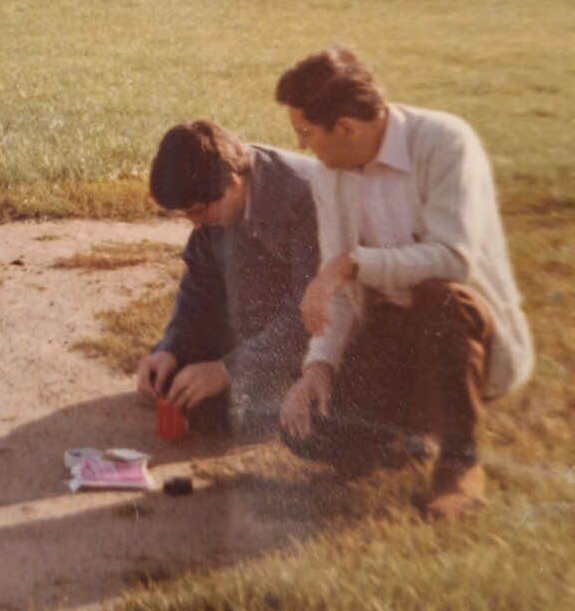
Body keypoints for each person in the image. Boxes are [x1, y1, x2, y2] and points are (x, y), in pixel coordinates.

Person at [274, 46, 534, 520]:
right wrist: (319, 366)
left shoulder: (444, 141)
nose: (303, 145)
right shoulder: (329, 175)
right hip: (394, 333)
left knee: (440, 299)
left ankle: (459, 460)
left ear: (347, 128)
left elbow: (453, 260)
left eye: (305, 133)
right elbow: (345, 293)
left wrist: (351, 264)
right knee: (304, 428)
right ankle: (410, 434)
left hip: (460, 325)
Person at [136, 120, 319, 439]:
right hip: (259, 321)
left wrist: (228, 370)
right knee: (172, 381)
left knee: (226, 415)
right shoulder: (216, 199)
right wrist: (171, 346)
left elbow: (310, 315)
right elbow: (199, 285)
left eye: (197, 211)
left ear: (233, 182)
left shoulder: (304, 197)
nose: (195, 225)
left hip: (320, 331)